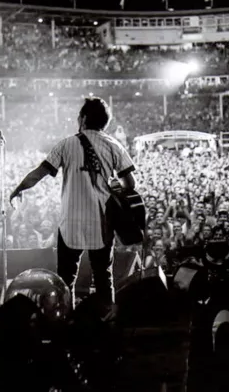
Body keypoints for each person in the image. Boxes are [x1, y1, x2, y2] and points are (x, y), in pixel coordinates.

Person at [9, 97, 137, 309]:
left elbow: (40, 173)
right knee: (104, 276)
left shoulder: (67, 144)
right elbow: (130, 184)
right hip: (102, 222)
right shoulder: (114, 145)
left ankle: (65, 319)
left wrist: (19, 189)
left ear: (83, 118)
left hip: (71, 221)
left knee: (66, 278)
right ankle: (107, 319)